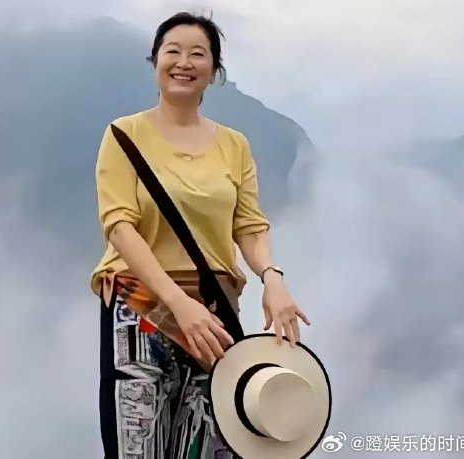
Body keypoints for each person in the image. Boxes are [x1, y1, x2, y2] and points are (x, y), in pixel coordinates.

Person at [91, 12, 310, 459]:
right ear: (155, 61)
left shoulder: (234, 145)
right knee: (139, 448)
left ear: (214, 70)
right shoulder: (123, 135)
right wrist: (177, 302)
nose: (184, 62)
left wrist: (272, 277)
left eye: (198, 54)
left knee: (211, 445)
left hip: (215, 311)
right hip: (141, 307)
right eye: (172, 51)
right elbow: (120, 227)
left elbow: (249, 225)